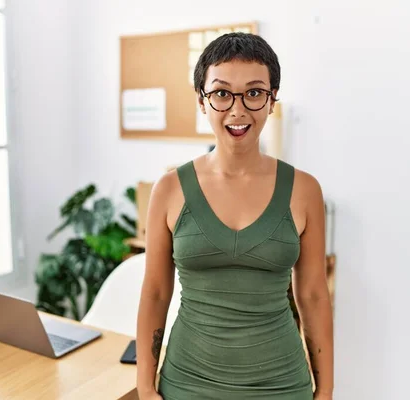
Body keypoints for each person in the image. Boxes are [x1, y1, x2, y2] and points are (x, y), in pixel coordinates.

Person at [136, 32, 334, 399]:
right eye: (222, 93)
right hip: (186, 383)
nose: (238, 110)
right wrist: (145, 388)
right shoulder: (169, 189)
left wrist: (325, 391)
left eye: (255, 93)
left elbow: (313, 295)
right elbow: (156, 293)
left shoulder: (305, 191)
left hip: (281, 386)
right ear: (202, 101)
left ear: (272, 101)